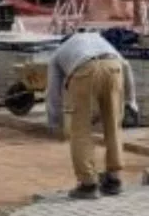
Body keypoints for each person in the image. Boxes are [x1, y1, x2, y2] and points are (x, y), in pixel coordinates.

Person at [46, 30, 139, 199]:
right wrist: (131, 101)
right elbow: (126, 65)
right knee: (113, 126)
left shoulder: (58, 54)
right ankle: (114, 179)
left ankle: (88, 184)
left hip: (84, 70)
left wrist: (54, 121)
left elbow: (53, 92)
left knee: (80, 130)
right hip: (114, 67)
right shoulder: (98, 38)